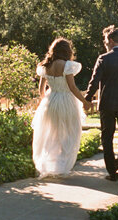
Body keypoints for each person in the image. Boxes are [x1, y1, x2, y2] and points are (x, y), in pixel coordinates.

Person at [85, 25, 118, 182]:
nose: (104, 43)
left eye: (104, 40)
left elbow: (94, 82)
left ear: (110, 40)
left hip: (107, 104)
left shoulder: (103, 59)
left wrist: (87, 100)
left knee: (107, 137)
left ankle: (112, 171)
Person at [32, 38, 91, 177]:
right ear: (67, 51)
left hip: (51, 101)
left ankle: (50, 165)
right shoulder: (67, 66)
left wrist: (47, 100)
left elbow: (41, 90)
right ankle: (62, 165)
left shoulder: (45, 66)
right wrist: (84, 101)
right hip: (66, 101)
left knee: (51, 133)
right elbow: (72, 87)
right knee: (69, 133)